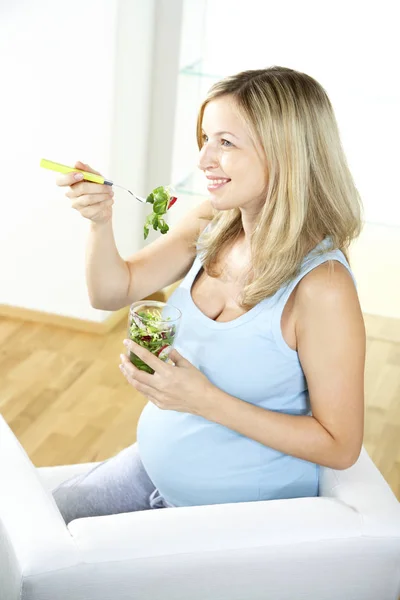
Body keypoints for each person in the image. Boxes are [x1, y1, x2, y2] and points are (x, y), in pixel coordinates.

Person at [53, 65, 365, 524]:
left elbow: (340, 446)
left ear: (286, 154)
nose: (202, 160)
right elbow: (110, 291)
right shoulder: (213, 224)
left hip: (232, 514)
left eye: (225, 142)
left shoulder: (323, 288)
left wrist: (202, 399)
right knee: (27, 536)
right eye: (205, 138)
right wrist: (100, 223)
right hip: (153, 471)